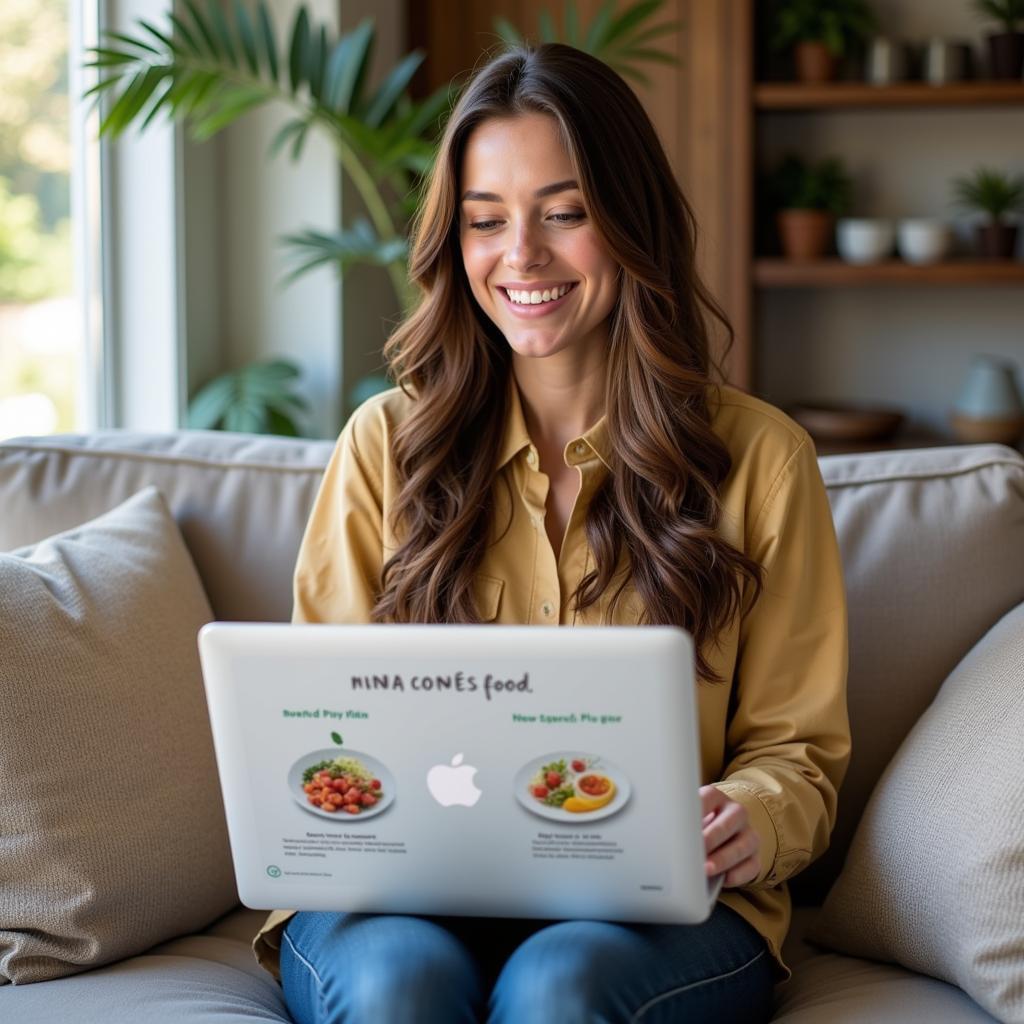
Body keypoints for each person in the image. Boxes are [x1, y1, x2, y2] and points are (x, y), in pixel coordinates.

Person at [252, 42, 850, 1024]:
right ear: (455, 242)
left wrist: (755, 815)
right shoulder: (383, 447)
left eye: (564, 214)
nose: (520, 255)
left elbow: (799, 753)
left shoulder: (761, 460)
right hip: (399, 897)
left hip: (658, 913)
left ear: (629, 223)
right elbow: (323, 730)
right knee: (403, 986)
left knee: (556, 987)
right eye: (486, 220)